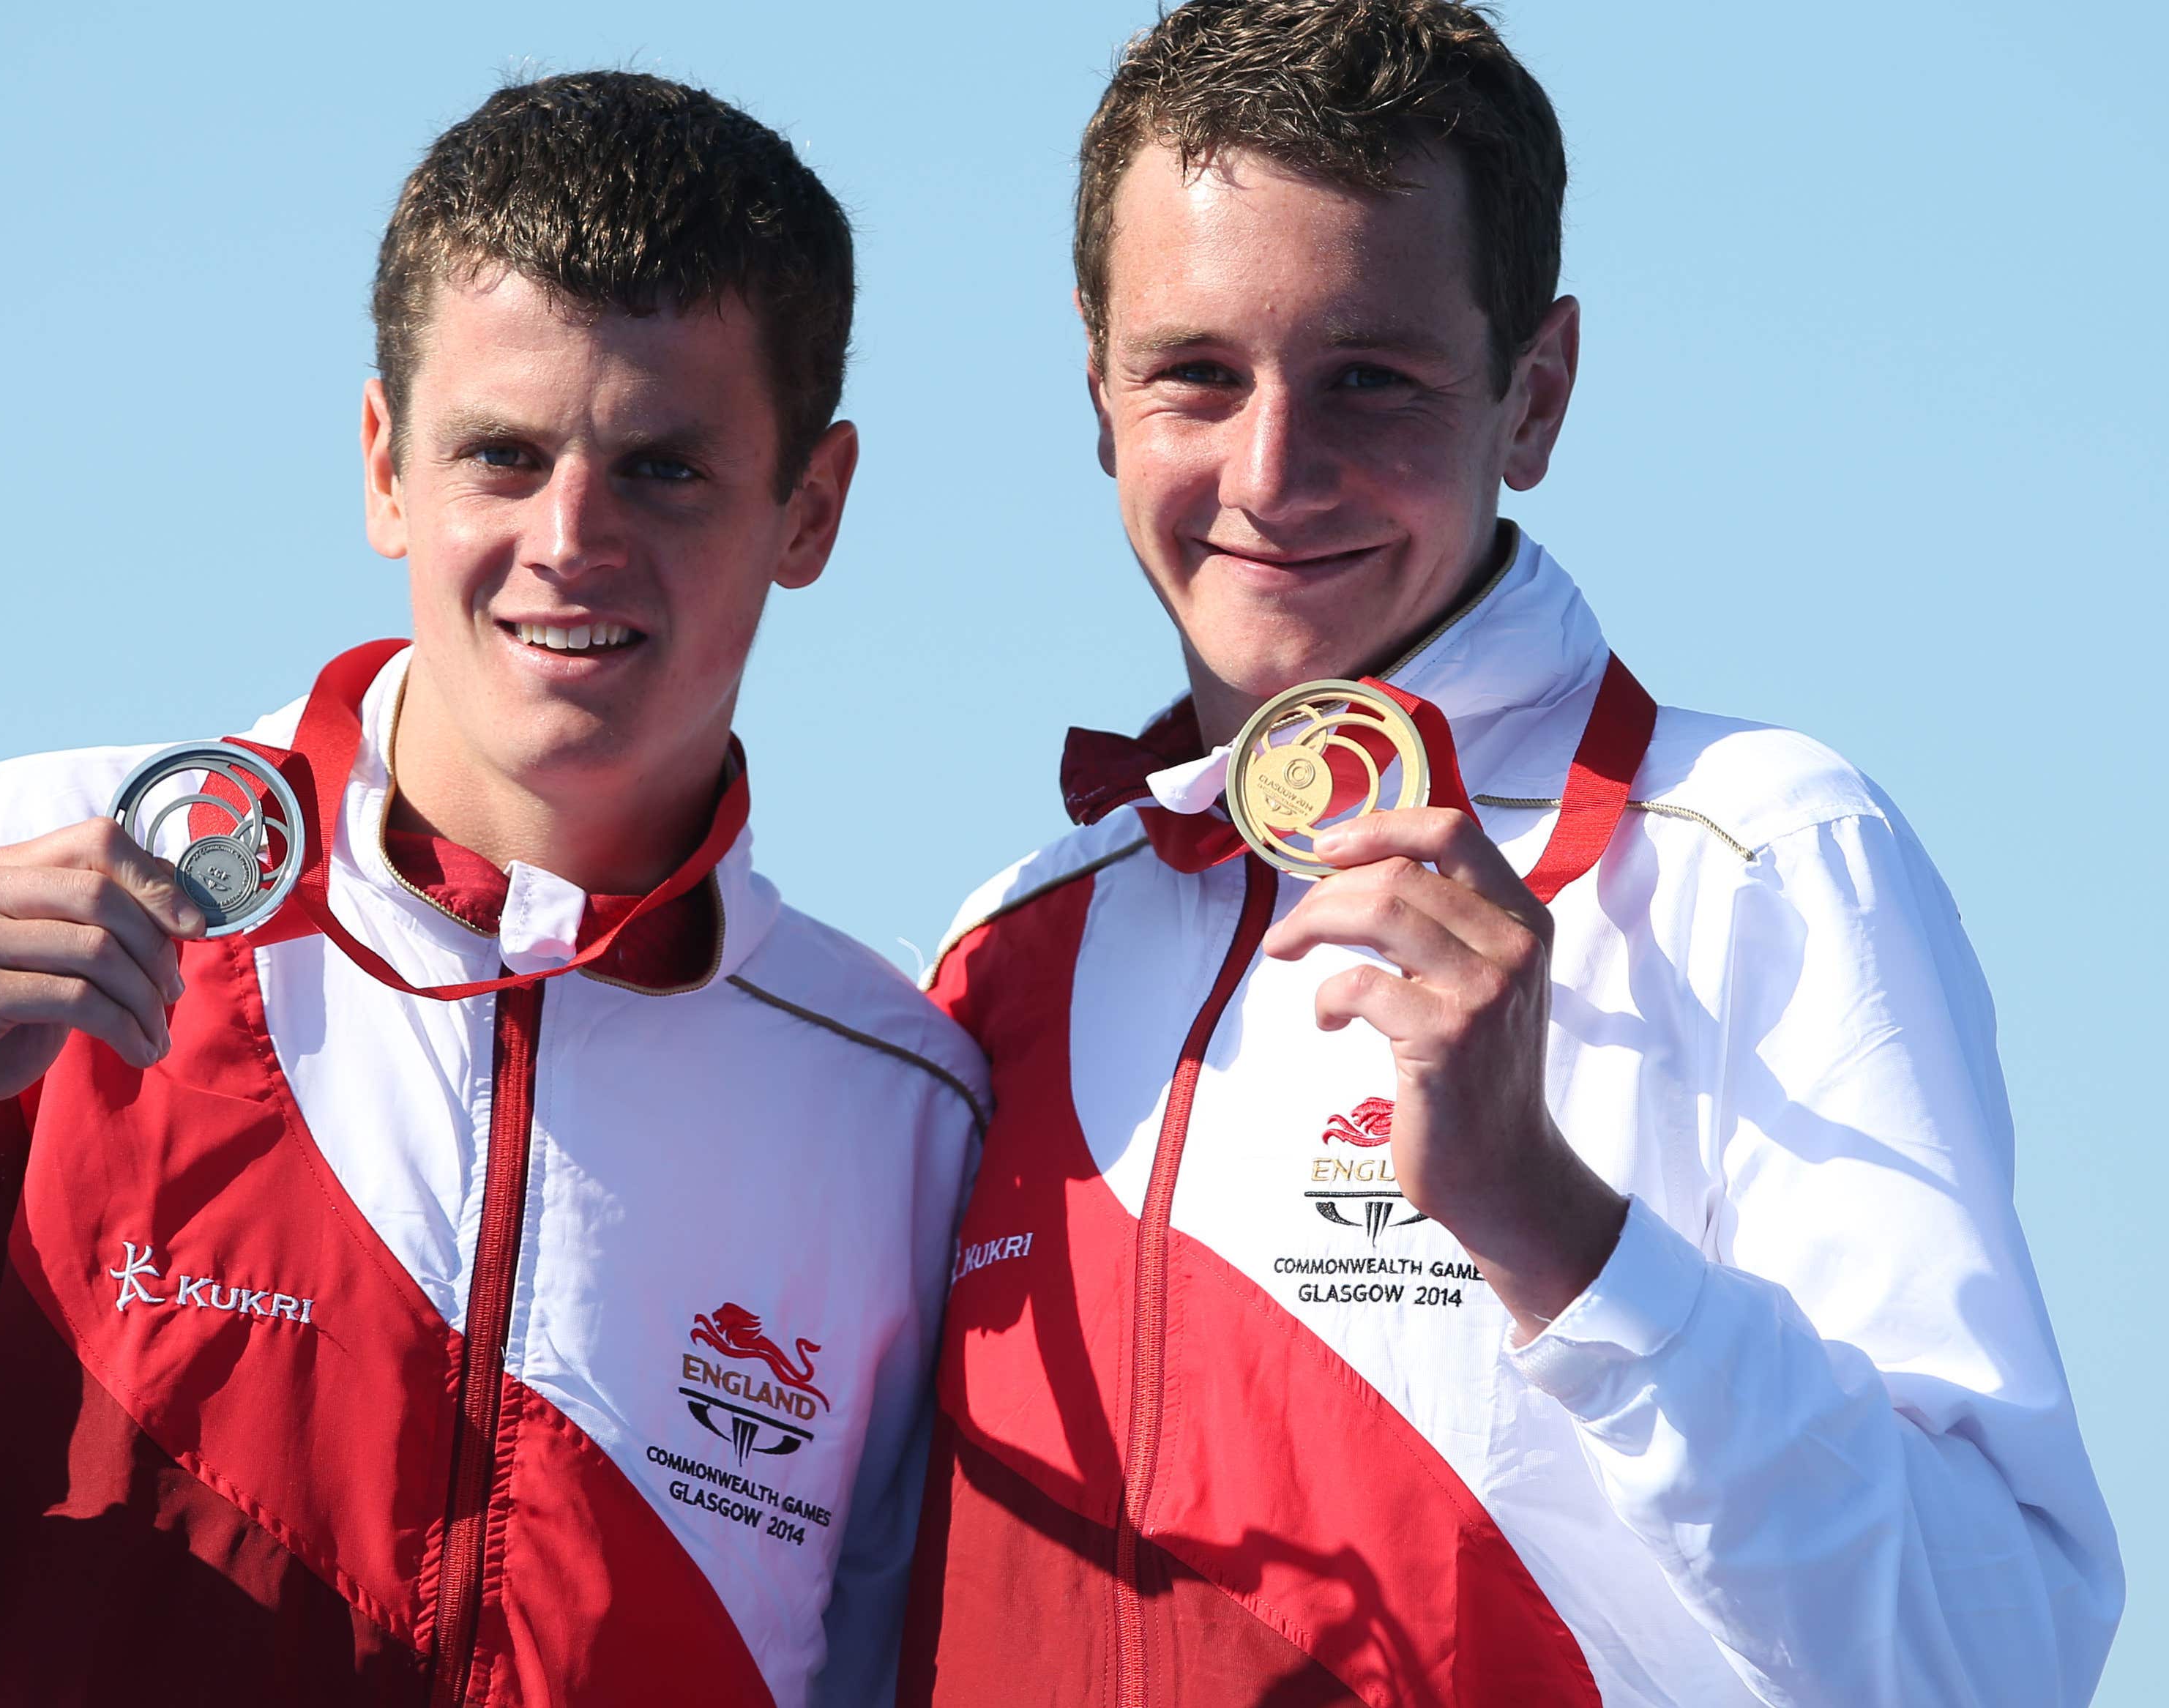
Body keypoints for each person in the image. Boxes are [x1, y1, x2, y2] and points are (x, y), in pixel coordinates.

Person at [0, 72, 985, 1707]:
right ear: (386, 466)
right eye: (502, 453)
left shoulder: (896, 1103)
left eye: (666, 468)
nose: (569, 538)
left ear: (808, 509)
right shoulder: (29, 884)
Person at [895, 3, 2119, 1704]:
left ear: (1531, 395)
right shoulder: (1007, 944)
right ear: (1097, 393)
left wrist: (1553, 1228)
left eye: (1369, 380)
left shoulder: (1749, 853)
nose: (1270, 470)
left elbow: (1999, 1654)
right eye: (1195, 374)